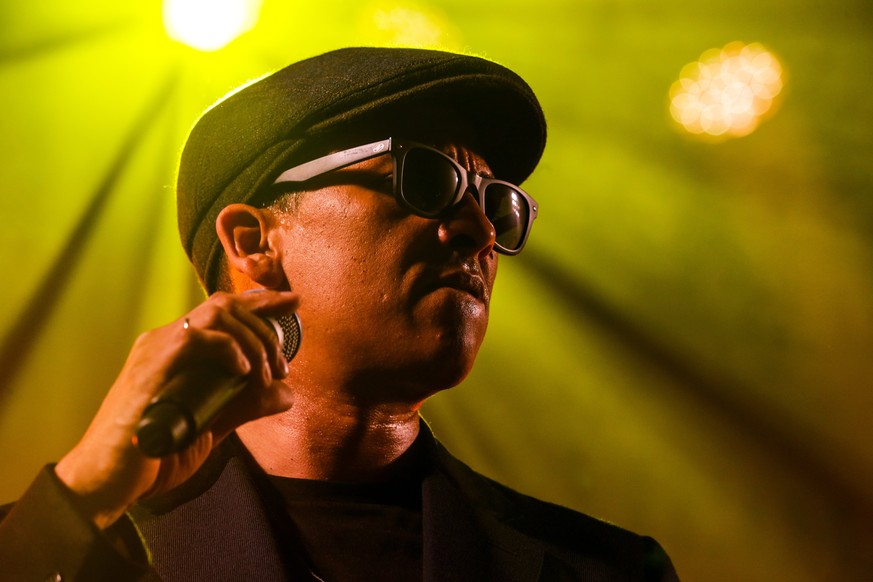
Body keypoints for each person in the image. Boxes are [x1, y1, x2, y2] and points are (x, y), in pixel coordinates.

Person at [0, 47, 679, 581]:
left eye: (495, 202)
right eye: (426, 178)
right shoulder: (71, 552)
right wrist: (80, 500)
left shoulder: (602, 569)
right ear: (253, 241)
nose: (478, 228)